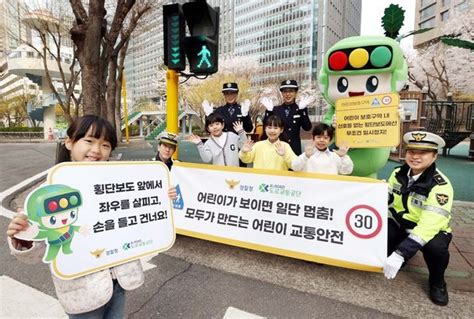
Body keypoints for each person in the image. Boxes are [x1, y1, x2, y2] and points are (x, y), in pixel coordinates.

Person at [6, 115, 176, 318]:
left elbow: (138, 216)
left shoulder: (118, 183)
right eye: (89, 141)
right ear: (69, 142)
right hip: (81, 292)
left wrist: (159, 199)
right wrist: (23, 237)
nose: (97, 150)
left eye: (105, 144)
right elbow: (38, 252)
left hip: (120, 280)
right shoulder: (49, 193)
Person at [383, 130, 453, 306]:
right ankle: (400, 255)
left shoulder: (440, 187)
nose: (415, 157)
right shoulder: (398, 173)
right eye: (412, 151)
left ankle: (437, 283)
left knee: (436, 248)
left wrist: (400, 253)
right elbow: (387, 198)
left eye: (423, 153)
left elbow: (428, 226)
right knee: (381, 229)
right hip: (401, 224)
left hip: (428, 230)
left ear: (434, 156)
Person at [261, 79, 312, 155]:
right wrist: (268, 112)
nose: (288, 94)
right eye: (285, 91)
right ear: (281, 93)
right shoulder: (275, 109)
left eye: (291, 91)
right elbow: (266, 127)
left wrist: (303, 110)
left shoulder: (300, 108)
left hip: (293, 148)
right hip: (277, 147)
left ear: (295, 93)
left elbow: (307, 127)